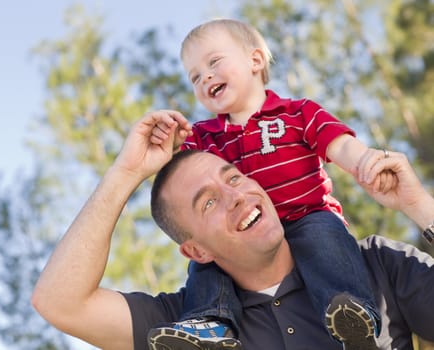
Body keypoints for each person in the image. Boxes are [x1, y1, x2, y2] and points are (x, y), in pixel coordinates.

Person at [31, 111, 434, 350]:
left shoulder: (377, 265)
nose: (235, 196)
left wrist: (419, 206)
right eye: (208, 202)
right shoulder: (185, 326)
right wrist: (125, 173)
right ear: (196, 252)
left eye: (235, 178)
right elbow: (60, 303)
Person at [149, 18, 402, 350]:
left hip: (309, 215)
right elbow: (180, 182)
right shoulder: (204, 137)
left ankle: (354, 317)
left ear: (254, 60)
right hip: (247, 235)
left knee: (327, 245)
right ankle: (210, 325)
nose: (205, 77)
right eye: (195, 76)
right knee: (206, 264)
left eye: (214, 62)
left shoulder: (296, 113)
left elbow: (337, 144)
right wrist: (166, 141)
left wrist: (366, 162)